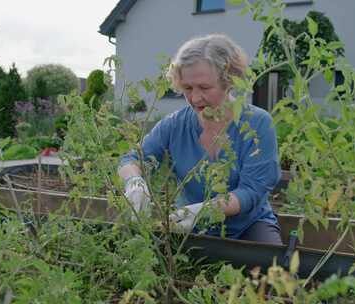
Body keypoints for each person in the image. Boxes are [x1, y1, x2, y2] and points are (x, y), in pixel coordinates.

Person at [118, 33, 282, 244]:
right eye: (187, 88)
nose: (194, 98)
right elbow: (131, 159)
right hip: (188, 227)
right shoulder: (175, 124)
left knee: (274, 269)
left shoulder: (257, 123)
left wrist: (203, 211)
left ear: (228, 81)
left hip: (247, 225)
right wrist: (134, 182)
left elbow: (251, 192)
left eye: (204, 88)